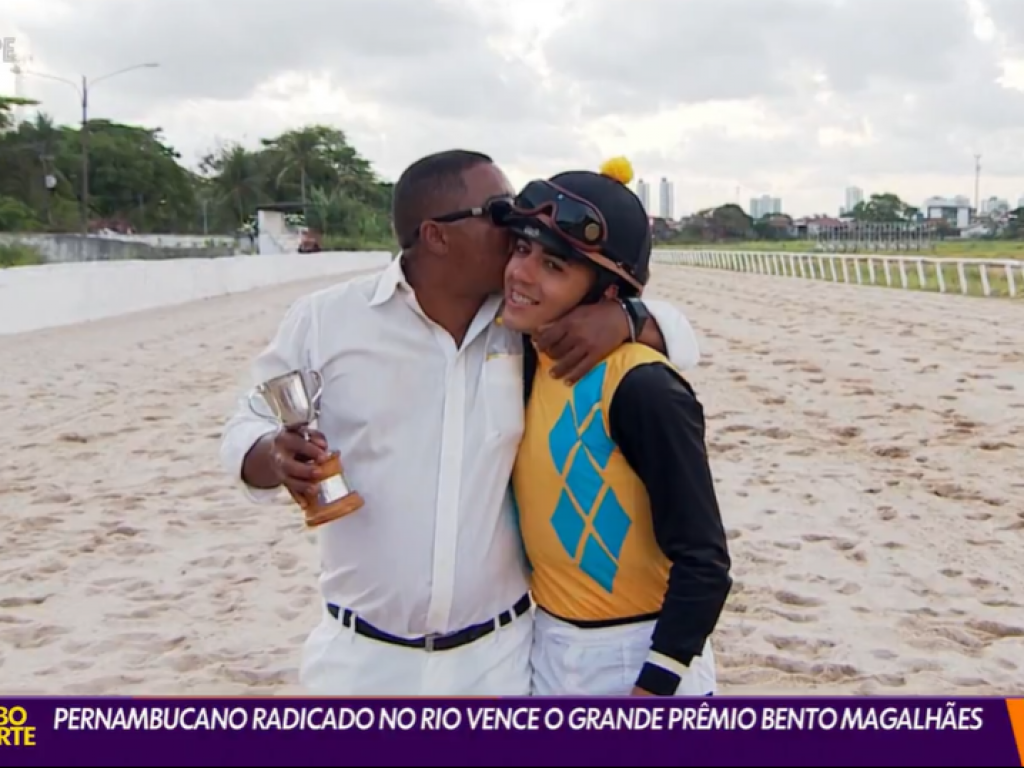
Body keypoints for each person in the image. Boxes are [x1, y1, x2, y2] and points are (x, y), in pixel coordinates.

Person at [219, 149, 702, 697]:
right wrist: (273, 457)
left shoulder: (523, 321)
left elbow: (685, 339)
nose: (518, 224)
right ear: (436, 235)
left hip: (500, 660)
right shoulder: (327, 319)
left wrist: (625, 318)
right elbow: (246, 424)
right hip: (359, 660)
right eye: (501, 212)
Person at [501, 157, 732, 697]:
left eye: (554, 266)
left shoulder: (644, 387)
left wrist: (656, 684)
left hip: (639, 653)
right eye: (520, 249)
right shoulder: (522, 354)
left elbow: (705, 561)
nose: (521, 273)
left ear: (608, 293)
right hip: (544, 645)